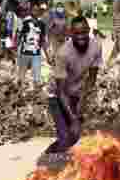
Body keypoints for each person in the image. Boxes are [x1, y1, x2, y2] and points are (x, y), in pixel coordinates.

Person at [43, 16, 102, 156]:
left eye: (83, 32)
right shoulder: (63, 53)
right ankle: (48, 157)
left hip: (75, 94)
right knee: (65, 139)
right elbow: (61, 91)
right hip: (57, 97)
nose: (81, 36)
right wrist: (74, 119)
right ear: (70, 33)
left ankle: (55, 153)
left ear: (88, 30)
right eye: (77, 33)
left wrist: (83, 103)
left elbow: (92, 78)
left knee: (74, 136)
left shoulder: (96, 47)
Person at [16, 5, 50, 85]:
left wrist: (47, 55)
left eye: (37, 10)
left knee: (37, 78)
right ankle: (19, 93)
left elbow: (43, 41)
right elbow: (19, 37)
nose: (35, 12)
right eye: (33, 10)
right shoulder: (24, 22)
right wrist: (15, 51)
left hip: (36, 54)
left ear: (39, 12)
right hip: (24, 53)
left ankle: (35, 94)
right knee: (21, 77)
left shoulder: (42, 24)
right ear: (30, 11)